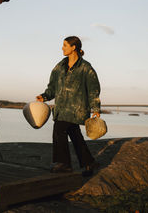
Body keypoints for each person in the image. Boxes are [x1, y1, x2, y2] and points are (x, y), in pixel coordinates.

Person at [36, 36, 101, 176]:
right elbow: (52, 86)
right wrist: (45, 96)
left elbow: (93, 89)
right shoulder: (59, 67)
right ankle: (89, 163)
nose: (62, 48)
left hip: (77, 109)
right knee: (75, 134)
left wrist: (96, 108)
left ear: (73, 47)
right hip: (61, 108)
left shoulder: (86, 68)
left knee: (59, 130)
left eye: (65, 45)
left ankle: (63, 164)